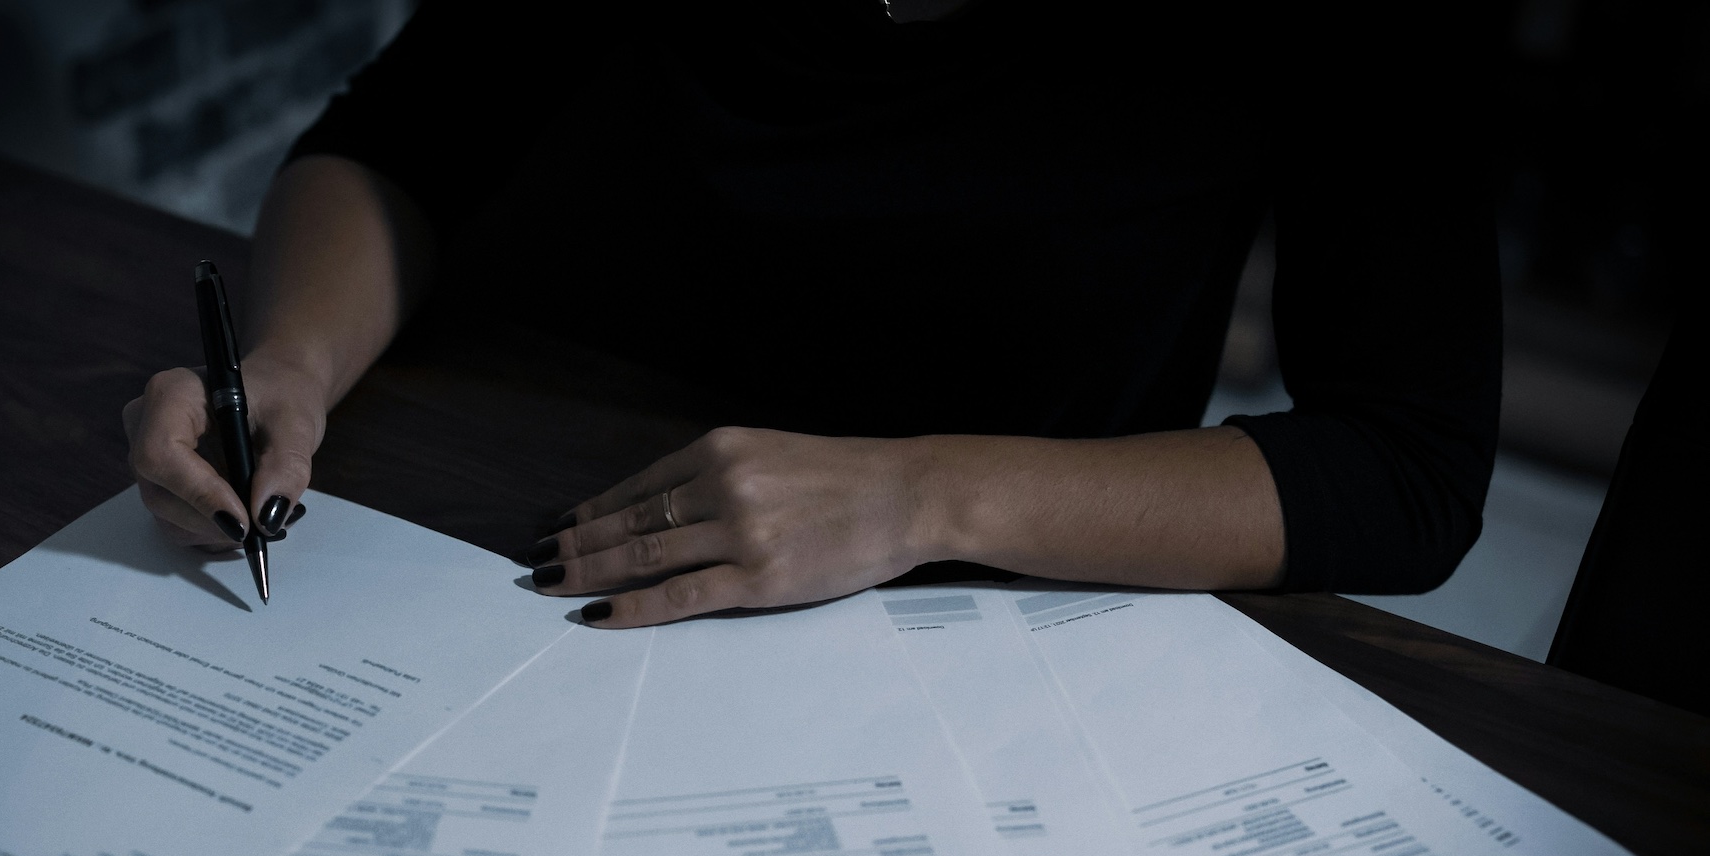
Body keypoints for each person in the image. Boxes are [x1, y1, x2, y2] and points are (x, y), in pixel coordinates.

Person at [124, 1, 1502, 629]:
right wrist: (290, 359)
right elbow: (402, 138)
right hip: (499, 526)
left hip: (979, 617)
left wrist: (924, 497)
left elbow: (1406, 470)